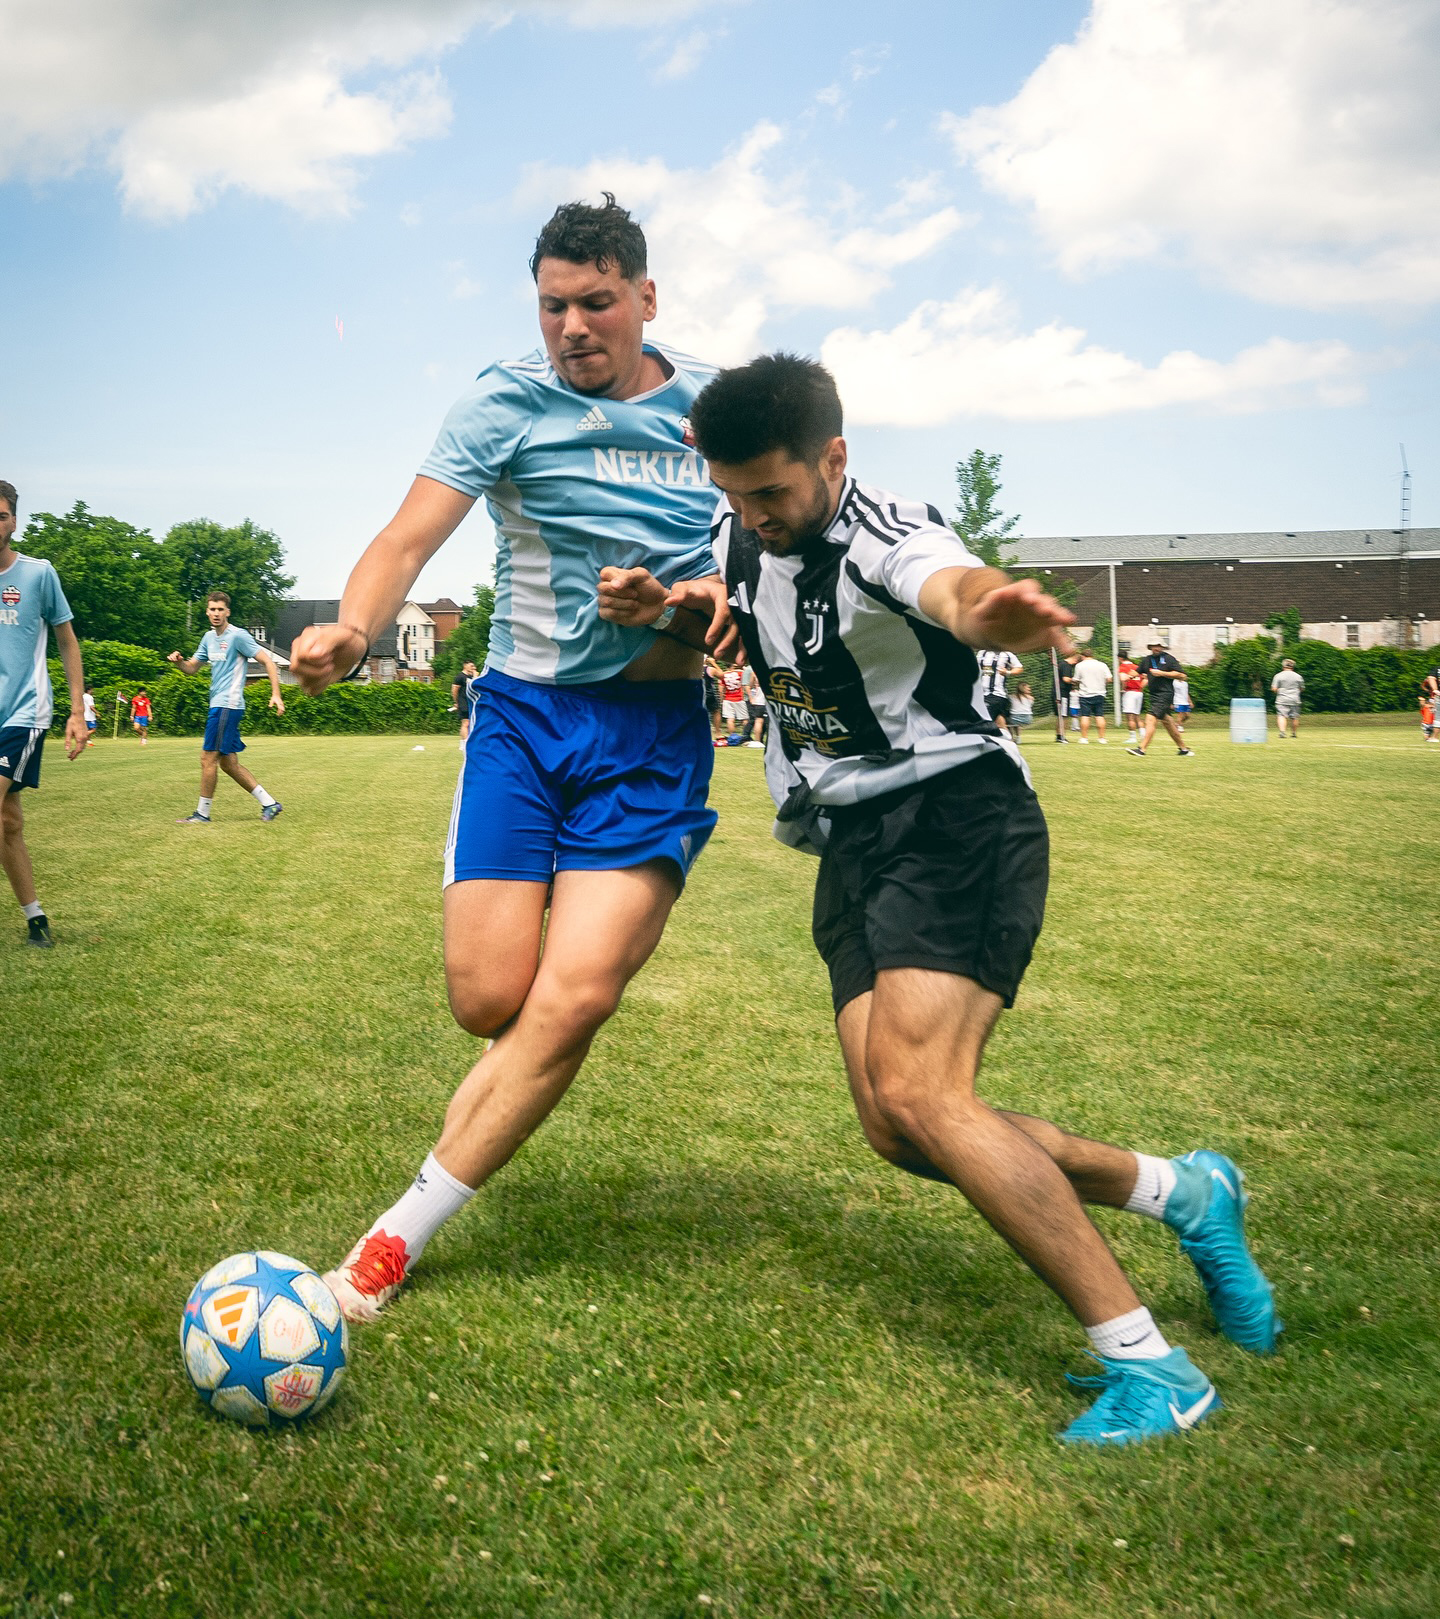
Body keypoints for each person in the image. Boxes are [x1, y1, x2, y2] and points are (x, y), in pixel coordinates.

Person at [607, 355, 1279, 1445]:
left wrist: (989, 610)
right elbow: (752, 628)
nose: (754, 515)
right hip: (850, 838)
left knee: (926, 1093)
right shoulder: (744, 530)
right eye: (733, 493)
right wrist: (672, 612)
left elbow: (948, 586)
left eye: (771, 491)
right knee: (900, 1125)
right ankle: (1183, 1192)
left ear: (833, 456)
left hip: (955, 818)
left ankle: (1151, 1366)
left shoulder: (888, 531)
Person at [289, 194, 732, 1323]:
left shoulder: (714, 410)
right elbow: (407, 537)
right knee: (492, 997)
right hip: (524, 724)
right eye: (552, 306)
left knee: (574, 995)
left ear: (646, 297)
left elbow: (767, 561)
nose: (572, 327)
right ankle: (493, 1104)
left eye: (596, 303)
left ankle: (391, 1240)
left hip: (651, 738)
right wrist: (353, 627)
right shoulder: (503, 401)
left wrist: (690, 604)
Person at [0, 479, 89, 947]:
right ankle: (36, 920)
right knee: (7, 822)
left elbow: (67, 641)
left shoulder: (38, 574)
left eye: (0, 516)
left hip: (24, 712)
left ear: (13, 521)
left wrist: (77, 712)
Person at [167, 591, 286, 822]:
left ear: (227, 612)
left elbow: (268, 662)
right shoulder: (208, 638)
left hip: (227, 705)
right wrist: (179, 662)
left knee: (207, 758)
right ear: (207, 611)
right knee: (229, 764)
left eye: (220, 609)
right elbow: (192, 668)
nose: (216, 613)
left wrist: (276, 694)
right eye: (212, 609)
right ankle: (270, 804)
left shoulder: (238, 636)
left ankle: (202, 814)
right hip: (219, 705)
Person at [1127, 638, 1194, 757]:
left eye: (1158, 646)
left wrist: (1162, 673)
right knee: (1168, 722)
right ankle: (1184, 749)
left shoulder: (1169, 659)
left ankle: (1142, 749)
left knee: (1150, 718)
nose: (1156, 648)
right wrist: (1128, 675)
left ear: (1162, 647)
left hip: (1165, 694)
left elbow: (1182, 675)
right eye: (1154, 646)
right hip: (1154, 695)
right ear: (1150, 647)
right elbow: (1137, 672)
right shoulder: (1147, 660)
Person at [978, 648, 1022, 738]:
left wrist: (1007, 672)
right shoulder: (981, 653)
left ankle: (984, 741)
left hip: (996, 694)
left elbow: (1019, 668)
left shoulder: (1006, 654)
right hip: (981, 694)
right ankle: (1008, 742)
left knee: (984, 722)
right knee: (1000, 724)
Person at [1072, 647, 1112, 743]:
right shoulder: (1102, 665)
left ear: (1083, 656)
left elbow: (1076, 679)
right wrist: (1102, 684)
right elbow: (1109, 679)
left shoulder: (1080, 665)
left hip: (1085, 694)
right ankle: (1102, 738)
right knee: (1099, 715)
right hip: (1099, 693)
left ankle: (1084, 738)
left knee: (1085, 716)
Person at [1271, 659, 1304, 739]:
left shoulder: (1278, 676)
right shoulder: (1298, 676)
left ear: (1283, 666)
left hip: (1282, 699)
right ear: (1293, 666)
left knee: (1282, 715)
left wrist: (1279, 691)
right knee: (1294, 717)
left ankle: (1282, 732)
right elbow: (1301, 688)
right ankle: (1294, 733)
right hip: (1295, 699)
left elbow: (1274, 688)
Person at [451, 660, 479, 745]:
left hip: (472, 703)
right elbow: (454, 690)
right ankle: (465, 743)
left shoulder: (472, 677)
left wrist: (475, 677)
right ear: (465, 666)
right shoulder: (460, 677)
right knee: (466, 723)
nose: (474, 668)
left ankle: (467, 741)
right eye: (471, 666)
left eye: (474, 666)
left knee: (472, 723)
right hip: (464, 702)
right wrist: (456, 702)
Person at [1118, 654, 1144, 746]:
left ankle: (1132, 737)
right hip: (1138, 692)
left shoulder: (1123, 667)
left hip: (1129, 692)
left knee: (1130, 716)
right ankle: (1143, 735)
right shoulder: (1136, 666)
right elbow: (1145, 678)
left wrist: (1123, 689)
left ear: (1120, 658)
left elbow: (1123, 679)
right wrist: (1141, 687)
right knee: (1137, 716)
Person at [719, 661, 748, 737]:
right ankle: (746, 736)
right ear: (733, 666)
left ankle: (732, 736)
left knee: (730, 719)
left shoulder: (723, 675)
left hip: (727, 699)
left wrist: (721, 700)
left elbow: (721, 689)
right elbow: (747, 672)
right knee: (745, 719)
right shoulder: (740, 673)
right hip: (739, 698)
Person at [744, 664, 767, 748]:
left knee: (758, 720)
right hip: (768, 700)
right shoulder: (770, 671)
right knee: (769, 722)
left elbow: (750, 685)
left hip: (759, 700)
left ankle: (757, 741)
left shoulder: (755, 672)